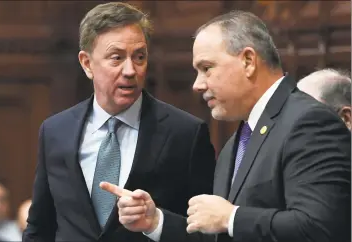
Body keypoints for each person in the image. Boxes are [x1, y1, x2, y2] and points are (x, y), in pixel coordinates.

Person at [102, 10, 351, 242]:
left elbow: (321, 228)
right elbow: (221, 234)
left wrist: (232, 217)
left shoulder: (309, 122)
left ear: (248, 61)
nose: (197, 85)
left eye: (207, 68)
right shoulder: (237, 142)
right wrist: (155, 221)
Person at [23, 2, 215, 242]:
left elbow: (208, 233)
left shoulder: (185, 133)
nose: (130, 70)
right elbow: (40, 227)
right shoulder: (55, 131)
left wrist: (157, 223)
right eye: (116, 58)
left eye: (139, 57)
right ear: (87, 63)